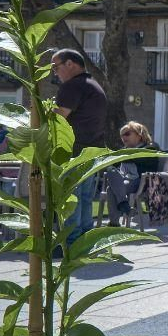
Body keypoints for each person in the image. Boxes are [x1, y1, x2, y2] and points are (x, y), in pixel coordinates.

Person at [51, 49, 108, 246]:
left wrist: (41, 112)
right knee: (84, 198)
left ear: (70, 64)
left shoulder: (73, 86)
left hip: (73, 152)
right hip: (91, 152)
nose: (54, 72)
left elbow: (58, 119)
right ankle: (85, 241)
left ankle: (71, 243)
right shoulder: (94, 86)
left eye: (55, 67)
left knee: (71, 199)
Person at [105, 121, 163, 225]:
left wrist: (123, 155)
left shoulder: (150, 148)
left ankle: (114, 223)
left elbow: (138, 158)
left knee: (111, 189)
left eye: (127, 134)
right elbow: (111, 164)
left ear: (139, 135)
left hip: (141, 182)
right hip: (123, 180)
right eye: (122, 135)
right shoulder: (124, 151)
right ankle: (124, 204)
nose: (123, 137)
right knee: (111, 171)